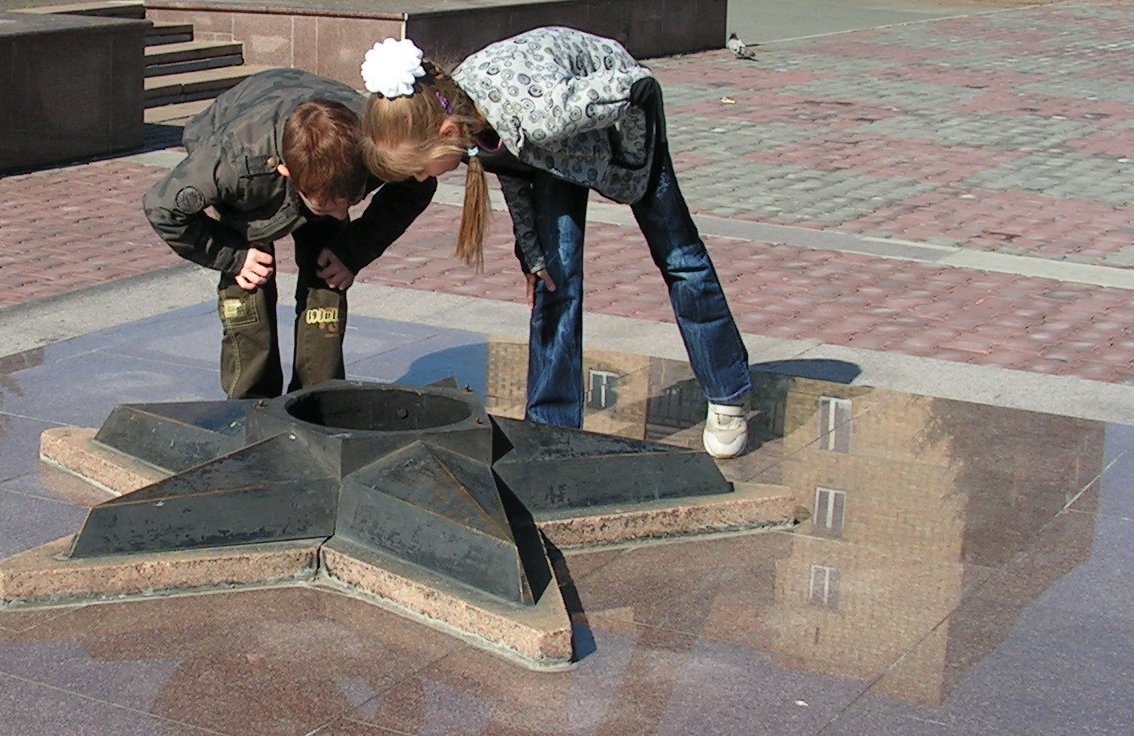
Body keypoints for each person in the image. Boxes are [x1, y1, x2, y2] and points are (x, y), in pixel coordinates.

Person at [356, 30, 751, 458]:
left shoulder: (541, 113)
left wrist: (632, 161)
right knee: (553, 280)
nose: (421, 179)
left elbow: (640, 88)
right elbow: (516, 171)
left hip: (607, 116)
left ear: (447, 131)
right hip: (558, 151)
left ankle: (727, 392)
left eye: (419, 169)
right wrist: (533, 254)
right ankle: (552, 428)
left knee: (680, 258)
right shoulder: (469, 117)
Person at [146, 69, 436, 399]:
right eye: (329, 206)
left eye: (351, 202)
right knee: (248, 286)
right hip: (249, 160)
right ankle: (250, 406)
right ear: (288, 175)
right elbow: (161, 207)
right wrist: (233, 256)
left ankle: (318, 397)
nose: (343, 215)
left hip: (322, 145)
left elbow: (418, 184)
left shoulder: (373, 146)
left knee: (328, 278)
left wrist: (352, 250)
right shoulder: (232, 161)